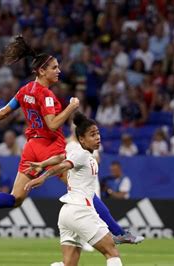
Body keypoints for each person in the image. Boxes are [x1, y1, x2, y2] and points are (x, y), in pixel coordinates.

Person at [0, 35, 80, 225]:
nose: (59, 71)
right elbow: (52, 125)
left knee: (16, 198)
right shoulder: (47, 95)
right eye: (54, 68)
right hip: (49, 145)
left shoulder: (25, 90)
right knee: (78, 187)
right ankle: (113, 230)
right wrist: (71, 107)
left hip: (31, 147)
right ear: (42, 71)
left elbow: (4, 111)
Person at [24, 112, 123, 266]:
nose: (97, 137)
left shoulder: (85, 155)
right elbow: (63, 165)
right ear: (81, 139)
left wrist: (43, 164)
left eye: (97, 133)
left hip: (68, 212)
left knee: (69, 264)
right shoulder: (81, 154)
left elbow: (60, 158)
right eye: (92, 135)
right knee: (111, 252)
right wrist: (43, 176)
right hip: (81, 210)